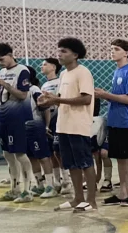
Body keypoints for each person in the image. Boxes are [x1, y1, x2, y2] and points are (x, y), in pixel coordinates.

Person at [38, 38, 97, 212]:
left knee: (85, 162)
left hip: (78, 125)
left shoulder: (83, 72)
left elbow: (86, 99)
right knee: (70, 163)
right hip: (63, 125)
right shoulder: (64, 74)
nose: (59, 54)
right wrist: (49, 100)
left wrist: (58, 99)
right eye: (59, 50)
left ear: (75, 55)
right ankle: (78, 198)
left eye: (64, 51)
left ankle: (91, 201)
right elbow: (61, 98)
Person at [91, 39, 128, 206]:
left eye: (117, 49)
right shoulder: (117, 72)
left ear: (126, 53)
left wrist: (105, 95)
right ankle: (123, 192)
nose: (112, 51)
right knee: (121, 157)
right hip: (116, 120)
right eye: (112, 48)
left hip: (127, 121)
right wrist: (106, 96)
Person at [0, 44, 38, 202]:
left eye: (1, 59)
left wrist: (2, 82)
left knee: (20, 153)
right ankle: (14, 189)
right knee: (7, 153)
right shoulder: (2, 72)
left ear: (10, 54)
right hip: (3, 115)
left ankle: (27, 190)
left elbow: (22, 95)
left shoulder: (22, 70)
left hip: (17, 116)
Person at [39, 57, 65, 195]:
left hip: (60, 118)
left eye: (45, 64)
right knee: (51, 152)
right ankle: (57, 181)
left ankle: (67, 180)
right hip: (49, 120)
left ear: (54, 67)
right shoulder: (43, 86)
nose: (42, 66)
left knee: (59, 151)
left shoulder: (60, 82)